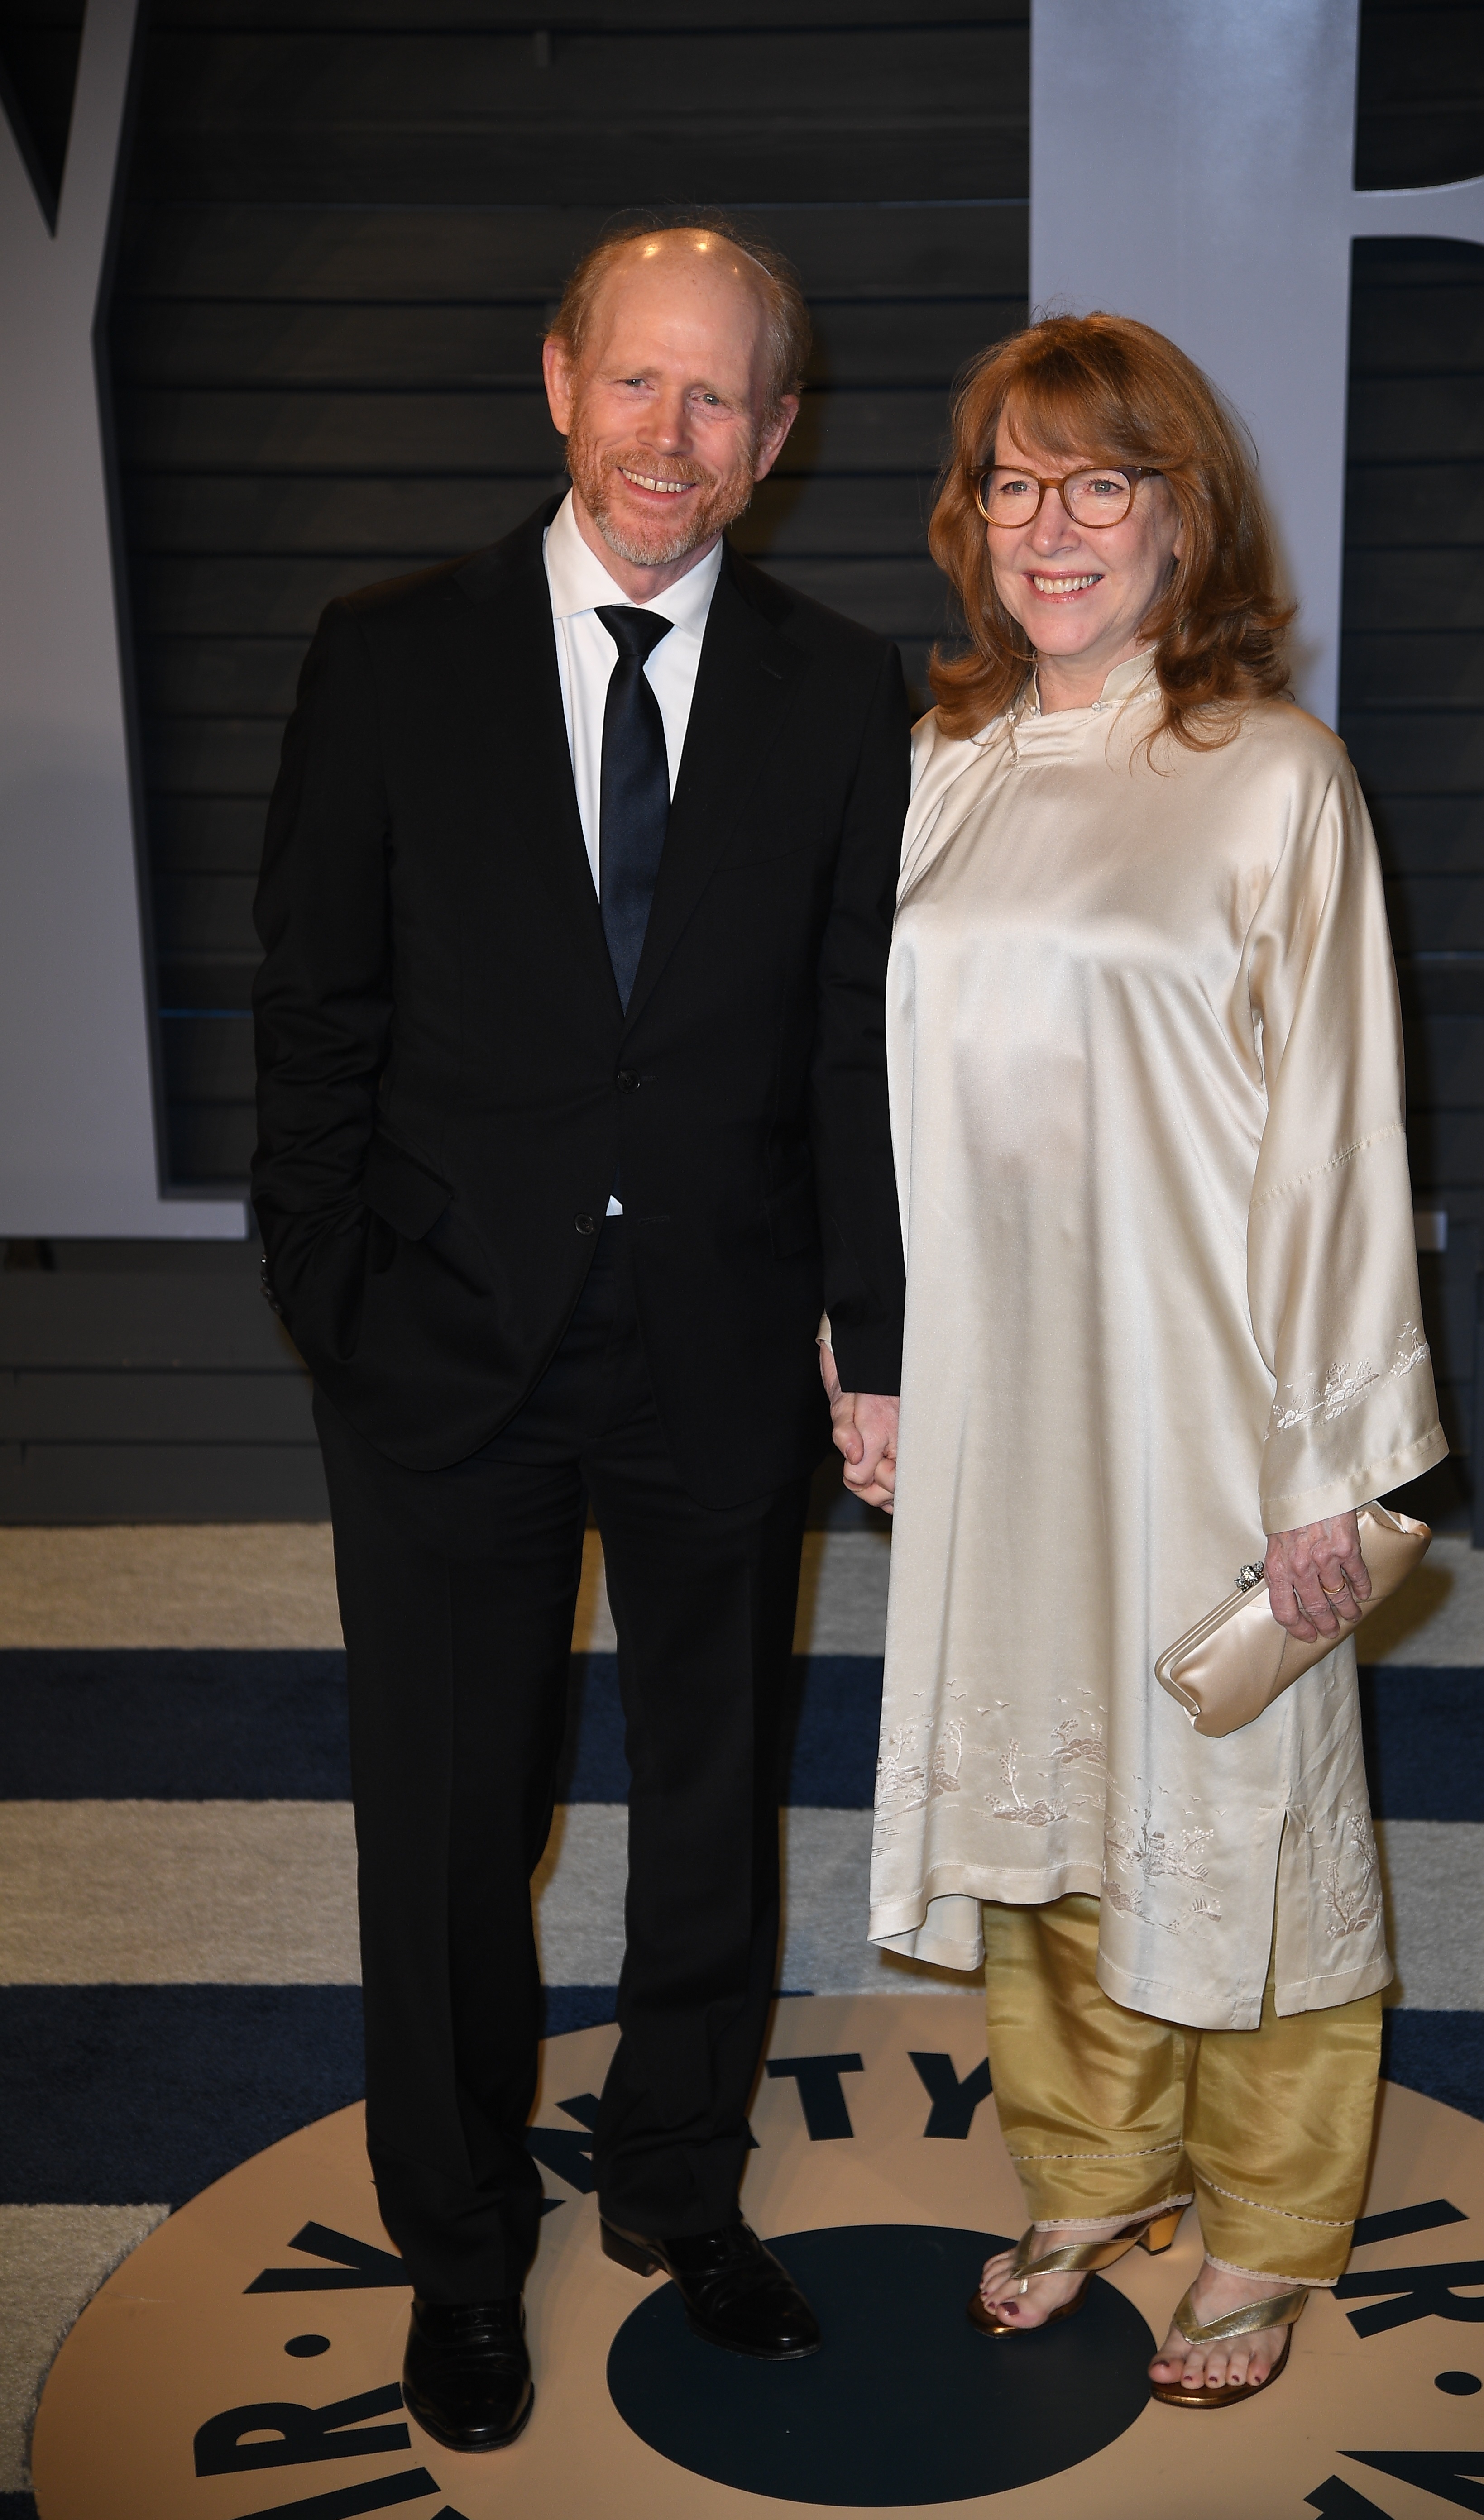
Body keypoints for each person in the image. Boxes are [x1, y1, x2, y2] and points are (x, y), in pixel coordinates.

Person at [251, 216, 907, 2452]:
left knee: (711, 1798)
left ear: (775, 437)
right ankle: (455, 2251)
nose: (670, 435)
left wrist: (868, 1330)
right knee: (452, 1820)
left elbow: (850, 1049)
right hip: (441, 1341)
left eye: (718, 397)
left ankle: (676, 2187)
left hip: (721, 1339)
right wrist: (332, 1295)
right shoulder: (387, 656)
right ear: (559, 384)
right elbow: (315, 1008)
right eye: (638, 380)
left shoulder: (844, 693)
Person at [867, 313, 1446, 2407]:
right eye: (1014, 484)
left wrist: (1332, 1463)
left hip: (1209, 1382)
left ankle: (1271, 2221)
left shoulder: (1273, 776)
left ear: (1182, 516)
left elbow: (1340, 1133)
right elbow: (869, 1097)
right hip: (996, 1377)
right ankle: (1094, 2167)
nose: (1053, 528)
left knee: (1236, 1784)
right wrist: (874, 1362)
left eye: (1099, 482)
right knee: (1045, 1780)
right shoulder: (936, 763)